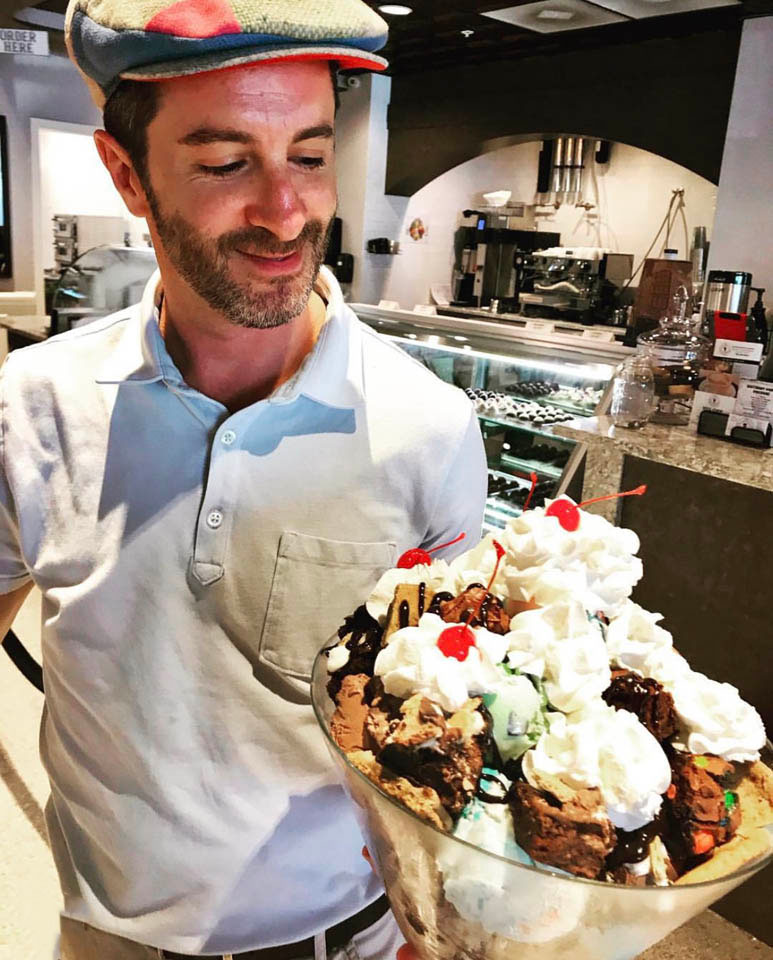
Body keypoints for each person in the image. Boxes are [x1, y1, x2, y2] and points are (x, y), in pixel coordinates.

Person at [0, 1, 487, 958]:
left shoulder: (428, 427)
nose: (285, 210)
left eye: (309, 156)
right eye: (227, 163)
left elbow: (448, 713)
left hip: (349, 939)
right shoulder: (31, 408)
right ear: (126, 176)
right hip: (110, 937)